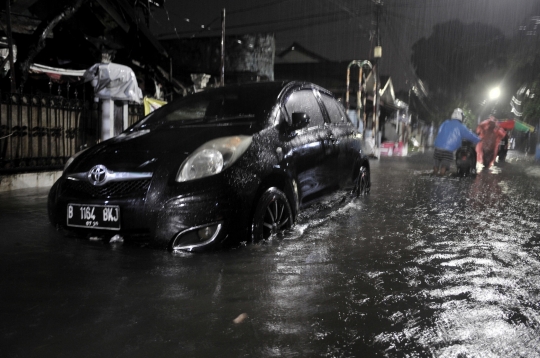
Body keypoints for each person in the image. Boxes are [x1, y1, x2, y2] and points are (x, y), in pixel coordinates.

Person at [432, 108, 481, 176]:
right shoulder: (461, 126)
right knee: (444, 167)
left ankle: (435, 173)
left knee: (436, 165)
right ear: (461, 117)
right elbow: (470, 135)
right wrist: (478, 139)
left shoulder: (445, 122)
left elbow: (439, 131)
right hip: (448, 150)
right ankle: (441, 176)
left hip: (437, 148)